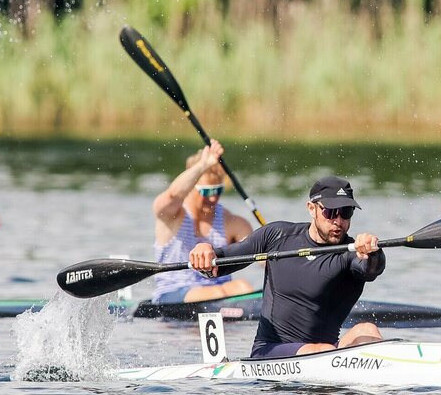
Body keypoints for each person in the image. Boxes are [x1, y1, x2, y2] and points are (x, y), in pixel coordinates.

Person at [189, 176, 386, 358]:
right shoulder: (277, 235)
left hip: (325, 354)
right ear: (311, 208)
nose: (338, 221)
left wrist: (373, 252)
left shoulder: (351, 253)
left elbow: (372, 269)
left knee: (367, 330)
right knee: (323, 350)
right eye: (331, 212)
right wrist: (205, 250)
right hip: (270, 352)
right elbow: (221, 262)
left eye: (346, 212)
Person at [152, 139, 255, 304]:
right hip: (173, 292)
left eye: (218, 190)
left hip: (221, 293)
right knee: (216, 292)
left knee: (242, 286)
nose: (213, 197)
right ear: (191, 186)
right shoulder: (171, 214)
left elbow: (260, 254)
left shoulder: (234, 223)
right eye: (207, 191)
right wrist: (202, 166)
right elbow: (172, 195)